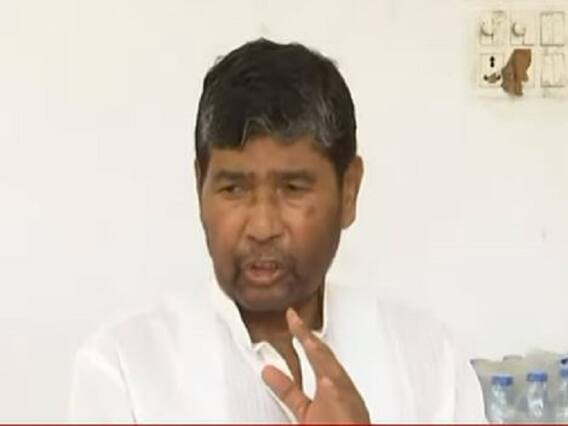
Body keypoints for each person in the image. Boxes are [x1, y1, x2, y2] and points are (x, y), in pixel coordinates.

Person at [68, 39, 486, 423]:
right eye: (233, 189)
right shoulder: (124, 368)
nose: (263, 227)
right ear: (200, 189)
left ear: (349, 191)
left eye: (293, 188)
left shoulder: (429, 362)